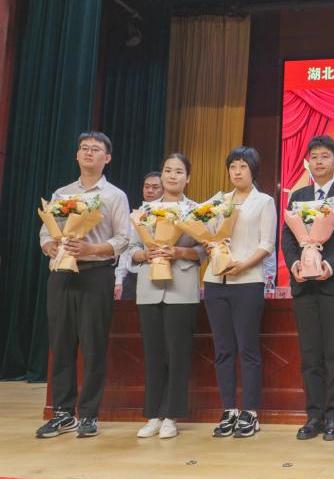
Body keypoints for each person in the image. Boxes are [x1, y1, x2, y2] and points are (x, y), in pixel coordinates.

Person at [36, 131, 130, 438]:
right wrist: (50, 245)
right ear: (77, 155)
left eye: (96, 149)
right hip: (62, 274)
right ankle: (63, 413)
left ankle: (89, 413)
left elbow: (124, 239)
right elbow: (45, 231)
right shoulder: (62, 193)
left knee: (93, 345)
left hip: (96, 274)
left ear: (107, 158)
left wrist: (93, 249)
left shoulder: (115, 196)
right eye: (84, 148)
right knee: (61, 344)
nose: (89, 153)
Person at [282, 135, 334, 441]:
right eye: (314, 156)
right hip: (304, 285)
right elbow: (287, 237)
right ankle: (313, 415)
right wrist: (294, 264)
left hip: (333, 286)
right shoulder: (298, 196)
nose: (319, 161)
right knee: (310, 354)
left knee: (333, 353)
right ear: (308, 162)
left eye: (325, 156)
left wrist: (330, 265)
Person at [128, 154, 204, 439]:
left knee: (178, 354)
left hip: (181, 289)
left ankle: (171, 415)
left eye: (179, 171)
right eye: (168, 171)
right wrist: (145, 254)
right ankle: (153, 415)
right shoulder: (144, 210)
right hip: (149, 288)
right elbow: (130, 250)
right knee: (153, 354)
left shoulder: (196, 211)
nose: (172, 176)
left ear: (188, 178)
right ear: (161, 176)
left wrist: (179, 251)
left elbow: (205, 249)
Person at [203, 146, 277, 438]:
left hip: (248, 281)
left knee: (247, 349)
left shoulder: (264, 202)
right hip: (215, 281)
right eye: (233, 166)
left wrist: (243, 264)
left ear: (253, 170)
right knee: (223, 350)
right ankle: (229, 410)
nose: (237, 171)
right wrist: (209, 244)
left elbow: (267, 244)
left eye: (243, 166)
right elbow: (206, 233)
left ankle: (250, 412)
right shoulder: (217, 201)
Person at [115, 171, 163, 301]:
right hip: (134, 275)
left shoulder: (171, 214)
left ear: (164, 189)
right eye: (146, 186)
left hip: (162, 273)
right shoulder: (135, 215)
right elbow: (126, 249)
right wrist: (119, 280)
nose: (150, 190)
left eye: (155, 187)